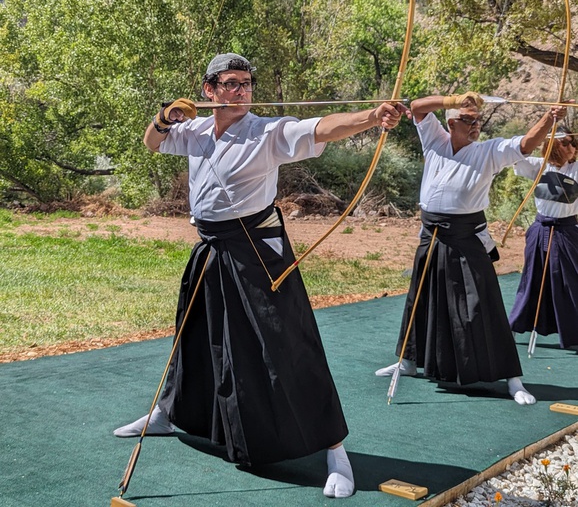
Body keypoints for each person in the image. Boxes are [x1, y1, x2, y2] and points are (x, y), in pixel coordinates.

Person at [114, 52, 408, 499]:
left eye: (247, 84)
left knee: (288, 345)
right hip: (211, 248)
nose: (241, 92)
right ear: (209, 90)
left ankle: (334, 449)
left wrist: (371, 116)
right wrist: (164, 117)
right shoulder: (194, 129)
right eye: (231, 84)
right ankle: (168, 413)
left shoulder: (267, 132)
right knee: (196, 337)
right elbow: (152, 143)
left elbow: (321, 127)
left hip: (258, 252)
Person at [375, 92, 567, 405]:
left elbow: (526, 144)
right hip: (431, 235)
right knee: (420, 299)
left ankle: (513, 379)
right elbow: (417, 107)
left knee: (482, 304)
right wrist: (453, 99)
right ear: (451, 123)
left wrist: (549, 118)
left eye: (478, 121)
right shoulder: (435, 140)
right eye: (468, 120)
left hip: (466, 237)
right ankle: (408, 361)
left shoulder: (488, 151)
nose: (476, 126)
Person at [509, 127, 578, 349]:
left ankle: (573, 333)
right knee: (532, 280)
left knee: (571, 281)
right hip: (540, 231)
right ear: (552, 146)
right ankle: (515, 325)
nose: (571, 147)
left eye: (573, 142)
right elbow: (517, 153)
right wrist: (547, 127)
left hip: (567, 232)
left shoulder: (576, 168)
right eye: (565, 143)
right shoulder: (540, 166)